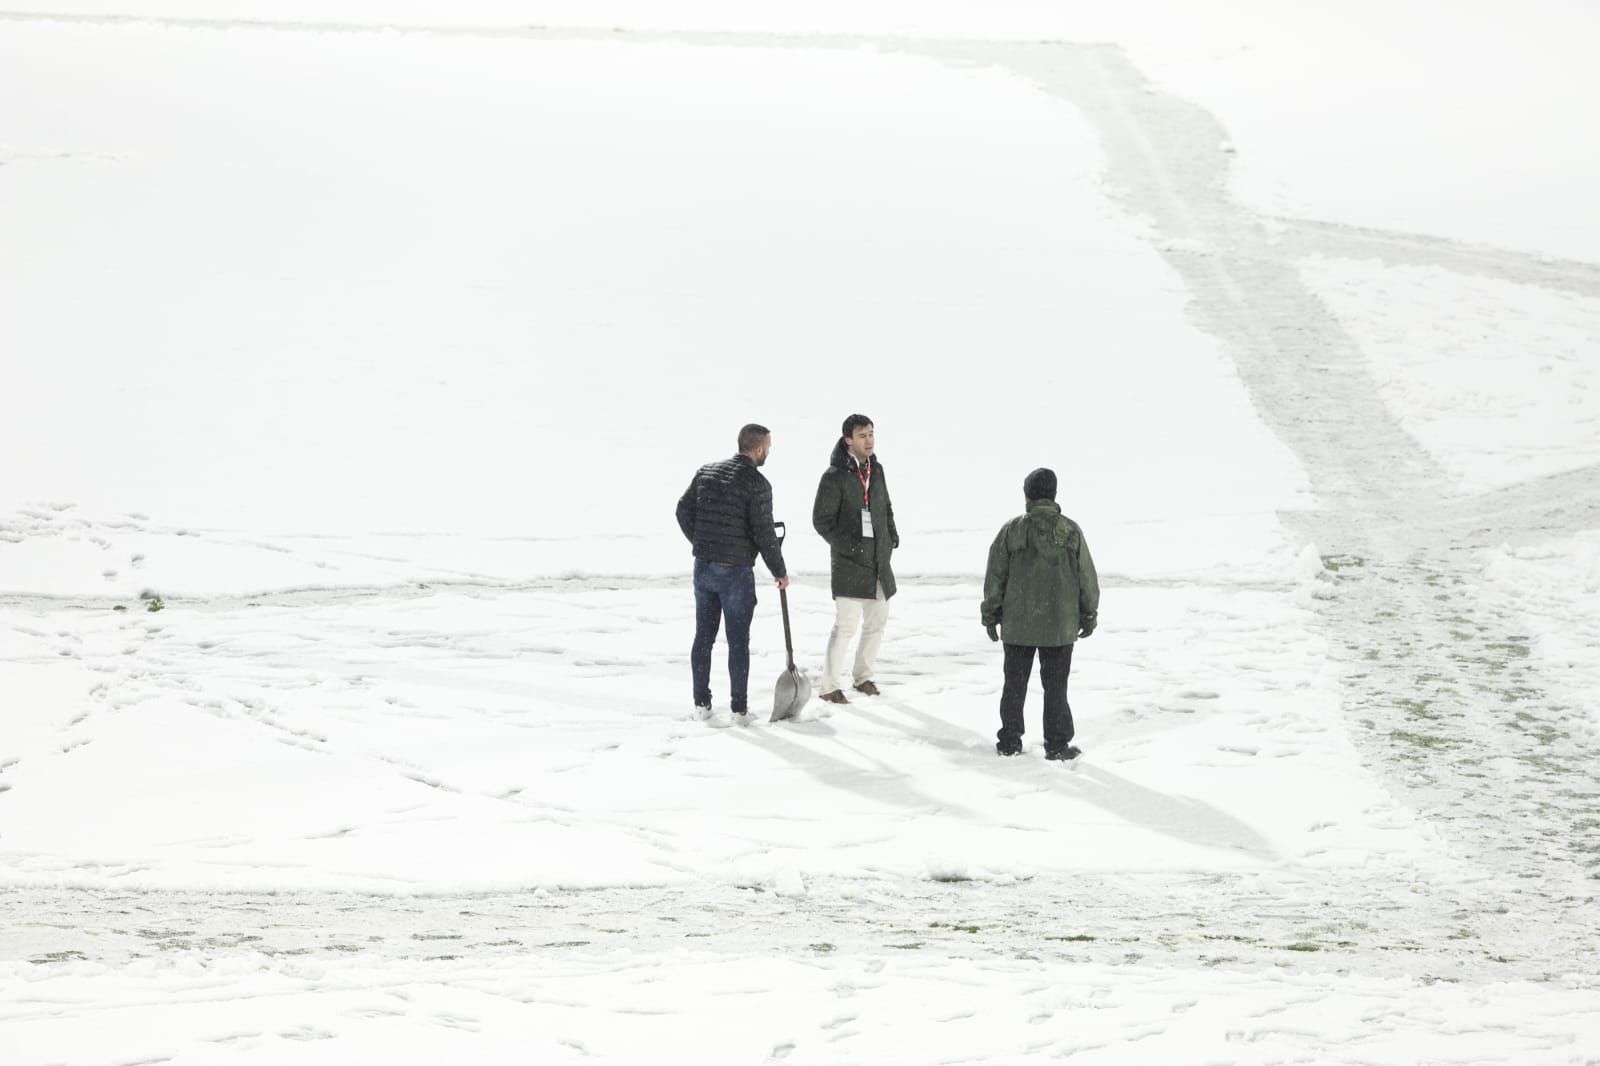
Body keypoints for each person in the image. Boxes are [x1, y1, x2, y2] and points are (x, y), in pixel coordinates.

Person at [980, 467, 1099, 759]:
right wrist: (1089, 614)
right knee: (1056, 687)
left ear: (1026, 495)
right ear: (1054, 494)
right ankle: (1057, 745)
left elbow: (995, 576)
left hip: (1018, 624)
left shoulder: (1012, 529)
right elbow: (1087, 577)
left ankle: (1009, 741)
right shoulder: (1070, 530)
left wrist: (991, 614)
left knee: (1014, 684)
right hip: (1059, 625)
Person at [676, 424, 789, 722]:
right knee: (738, 641)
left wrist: (703, 543)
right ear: (759, 448)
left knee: (704, 637)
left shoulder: (707, 473)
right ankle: (739, 709)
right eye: (769, 446)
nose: (769, 451)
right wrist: (779, 571)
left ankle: (702, 705)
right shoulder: (757, 484)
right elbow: (765, 534)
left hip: (704, 567)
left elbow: (682, 511)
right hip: (736, 572)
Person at [812, 413, 898, 705]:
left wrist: (892, 534)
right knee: (846, 626)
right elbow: (822, 520)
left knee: (877, 622)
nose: (869, 440)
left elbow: (885, 506)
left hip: (878, 560)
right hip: (850, 563)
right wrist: (851, 546)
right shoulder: (834, 476)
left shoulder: (877, 470)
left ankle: (862, 677)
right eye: (862, 435)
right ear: (848, 439)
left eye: (871, 434)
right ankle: (828, 686)